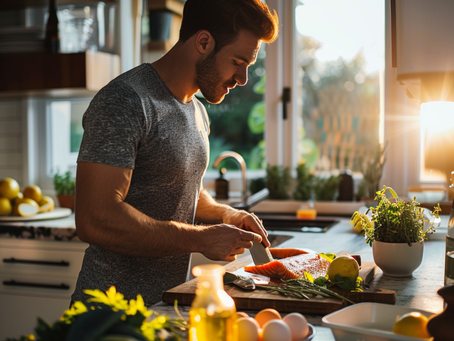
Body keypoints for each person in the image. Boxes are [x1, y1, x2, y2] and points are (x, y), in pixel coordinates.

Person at [71, 0, 279, 307]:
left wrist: (226, 214)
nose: (243, 79)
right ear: (204, 42)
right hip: (106, 316)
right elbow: (95, 218)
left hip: (164, 309)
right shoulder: (126, 100)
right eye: (237, 62)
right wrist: (200, 239)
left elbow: (181, 190)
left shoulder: (196, 111)